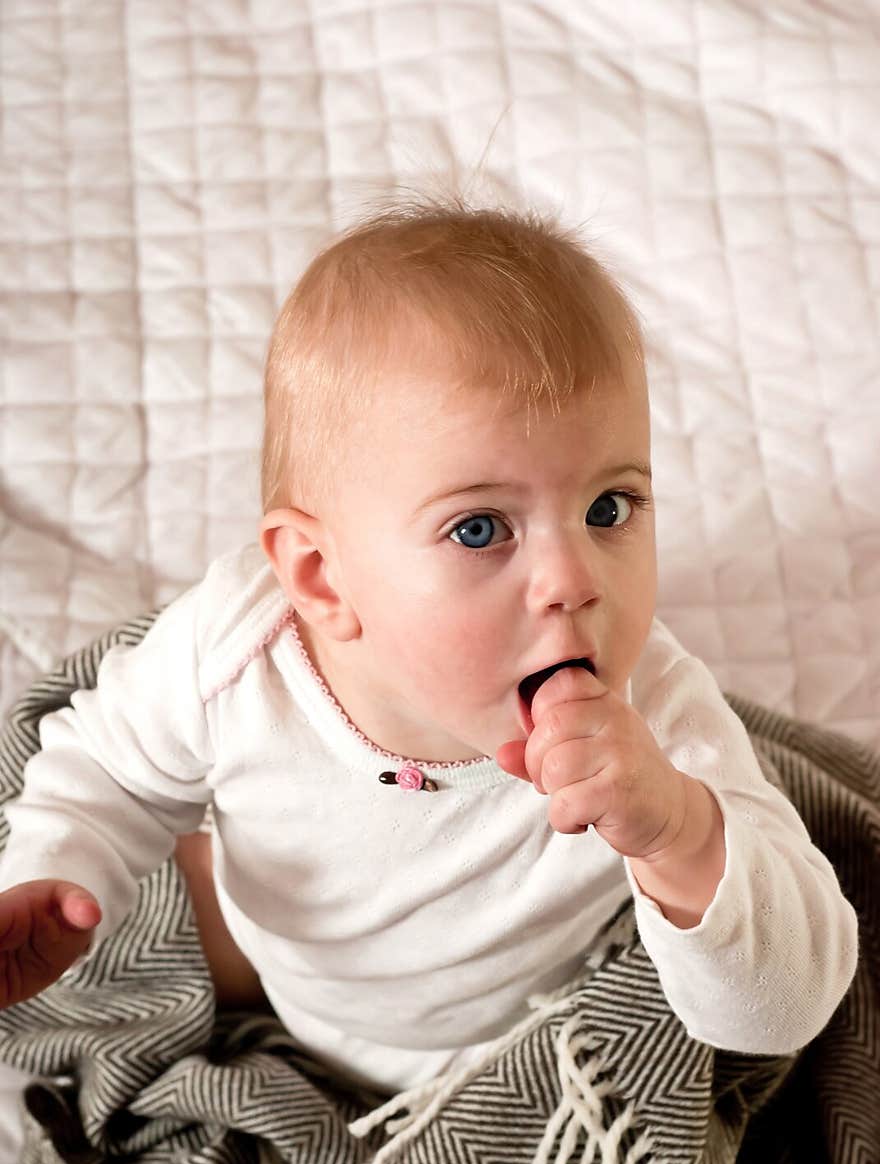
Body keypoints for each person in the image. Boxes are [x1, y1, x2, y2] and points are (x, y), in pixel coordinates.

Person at [0, 195, 858, 1095]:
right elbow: (106, 766)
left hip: (497, 1041)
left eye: (610, 508)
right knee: (146, 926)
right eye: (482, 528)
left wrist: (679, 835)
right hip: (287, 962)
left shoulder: (653, 719)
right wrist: (56, 866)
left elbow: (787, 1012)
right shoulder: (234, 658)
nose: (575, 580)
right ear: (325, 579)